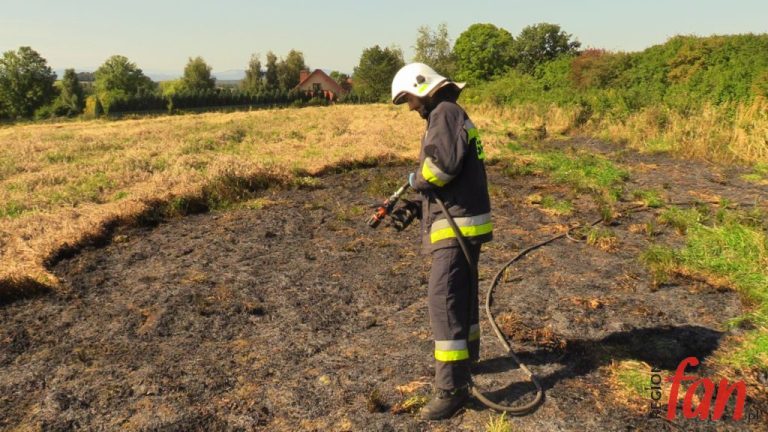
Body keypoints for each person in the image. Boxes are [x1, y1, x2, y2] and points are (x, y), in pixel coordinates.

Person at [389, 63, 493, 420]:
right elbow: (454, 175)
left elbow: (441, 169)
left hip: (457, 227)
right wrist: (419, 208)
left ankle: (451, 389)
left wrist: (417, 180)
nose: (409, 107)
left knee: (444, 300)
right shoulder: (451, 113)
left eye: (409, 99)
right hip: (462, 220)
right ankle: (468, 363)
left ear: (423, 88)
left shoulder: (444, 113)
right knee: (460, 297)